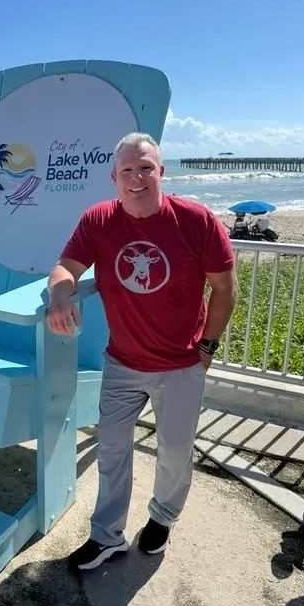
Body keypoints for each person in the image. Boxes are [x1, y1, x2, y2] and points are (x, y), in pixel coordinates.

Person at [46, 132, 237, 571]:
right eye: (127, 170)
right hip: (122, 363)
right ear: (114, 178)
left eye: (146, 167)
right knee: (112, 448)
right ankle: (107, 536)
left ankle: (163, 518)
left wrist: (207, 345)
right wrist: (59, 297)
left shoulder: (196, 220)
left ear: (161, 172)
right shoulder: (99, 220)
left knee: (174, 451)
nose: (137, 177)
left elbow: (225, 288)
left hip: (181, 365)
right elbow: (65, 267)